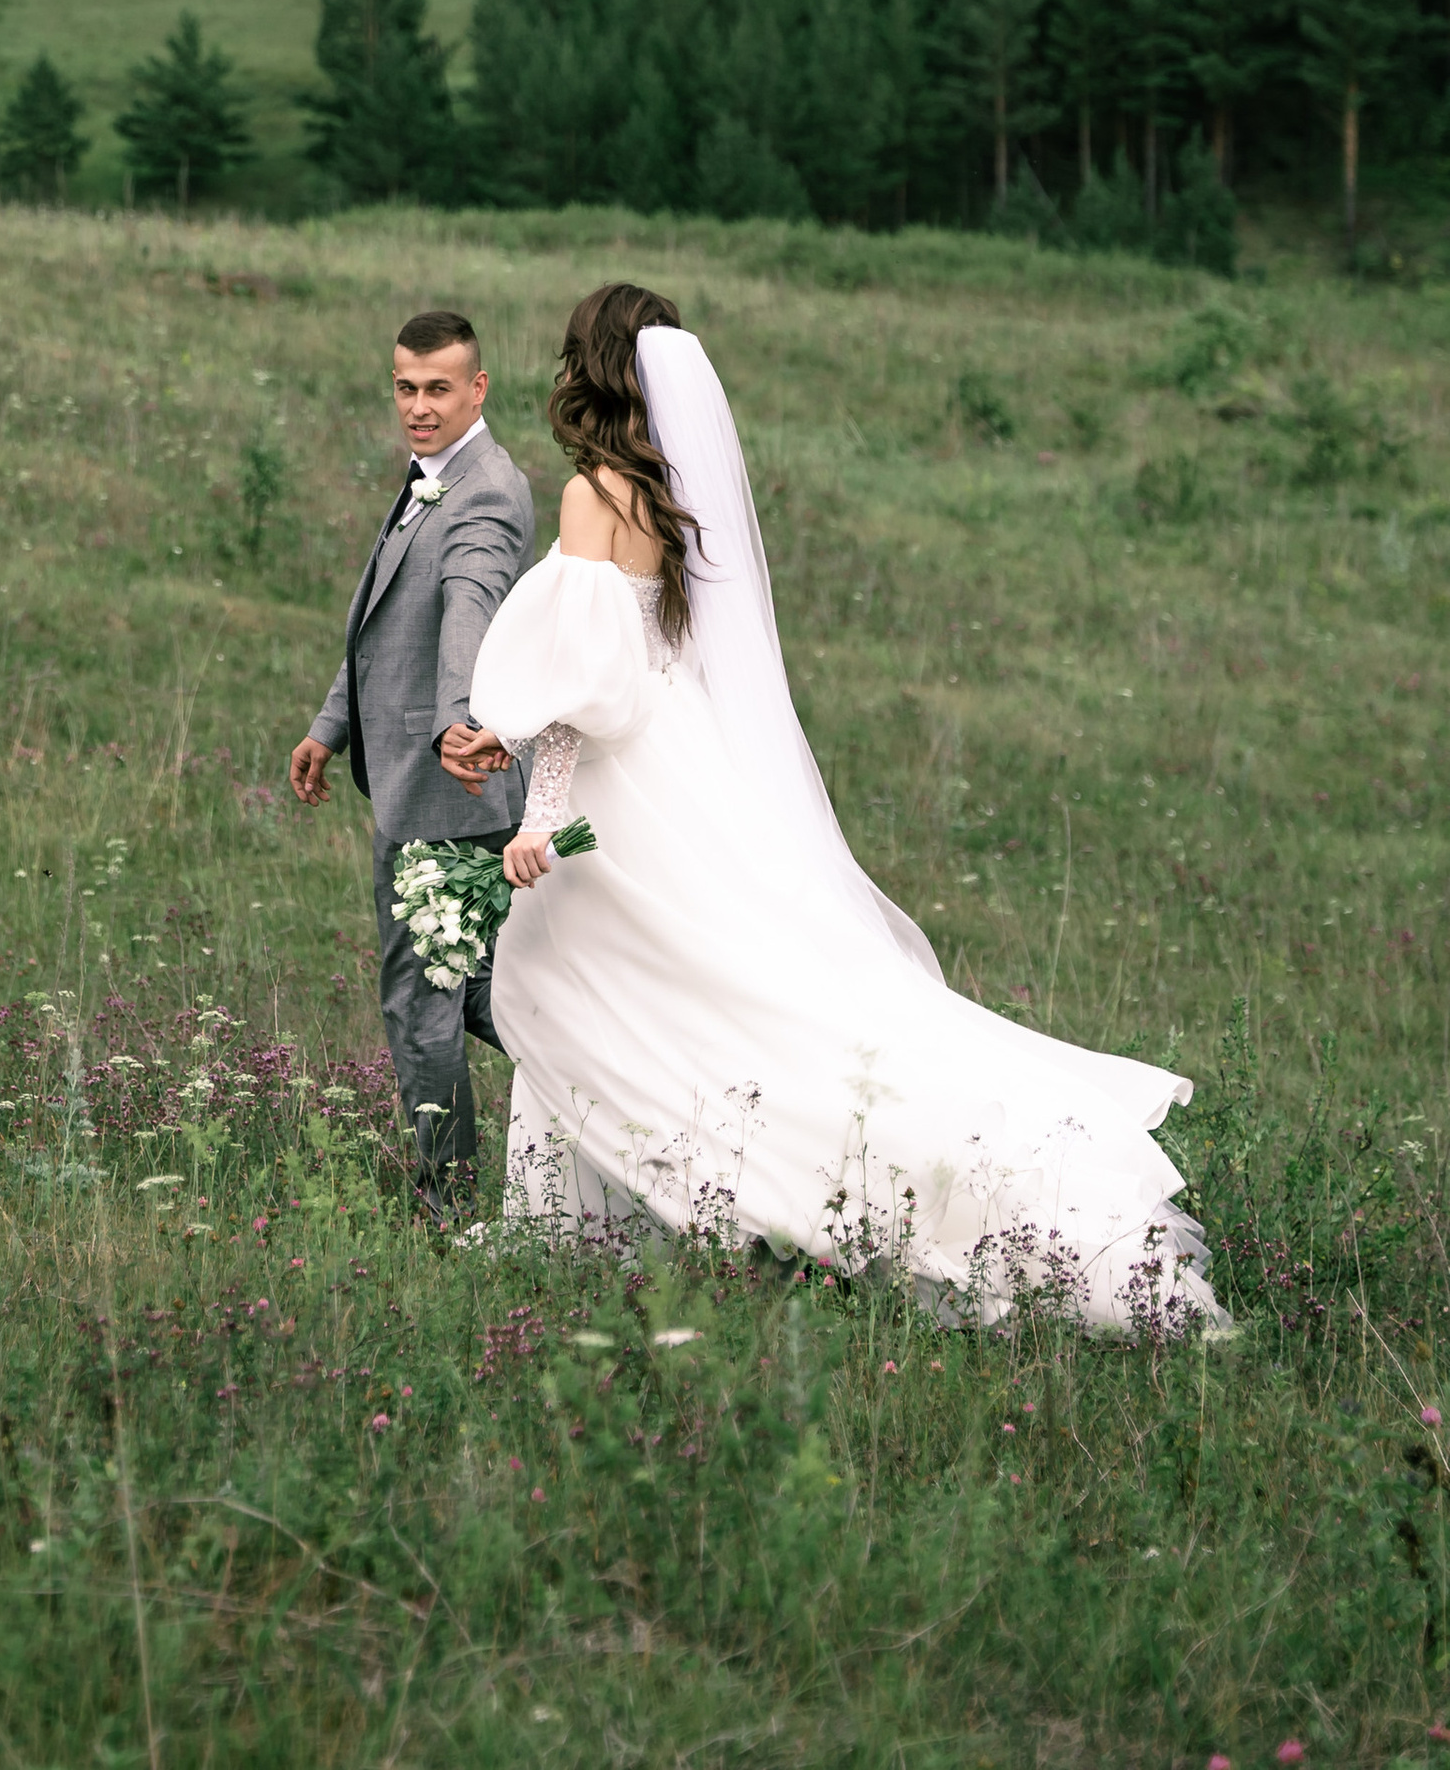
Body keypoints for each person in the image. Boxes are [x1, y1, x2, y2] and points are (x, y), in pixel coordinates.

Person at [467, 282, 1221, 1327]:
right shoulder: (673, 494)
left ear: (581, 366)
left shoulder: (594, 493)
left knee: (570, 974)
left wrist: (538, 811)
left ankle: (589, 1219)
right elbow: (647, 657)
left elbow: (584, 688)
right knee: (679, 982)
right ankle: (586, 1214)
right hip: (682, 757)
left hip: (622, 775)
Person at [290, 306, 534, 1208]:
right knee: (468, 988)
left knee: (420, 1001)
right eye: (405, 387)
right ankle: (595, 1068)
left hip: (451, 792)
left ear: (478, 388)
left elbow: (468, 604)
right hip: (417, 778)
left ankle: (449, 1205)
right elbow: (386, 622)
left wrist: (455, 721)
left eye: (438, 389)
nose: (419, 407)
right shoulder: (430, 474)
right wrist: (330, 724)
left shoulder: (487, 494)